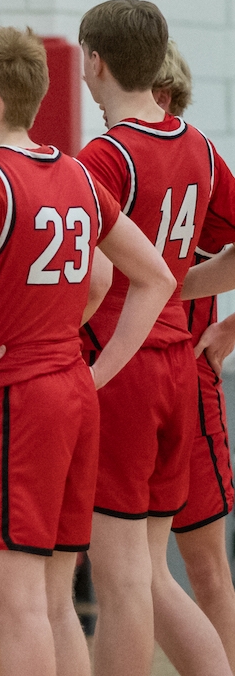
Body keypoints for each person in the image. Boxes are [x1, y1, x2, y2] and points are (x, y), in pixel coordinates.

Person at [0, 24, 175, 676]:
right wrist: (91, 365)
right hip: (72, 392)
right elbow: (137, 276)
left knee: (17, 610)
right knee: (54, 598)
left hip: (16, 396)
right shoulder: (72, 172)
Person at [76, 0, 234, 676]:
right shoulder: (196, 145)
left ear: (93, 61)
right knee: (148, 575)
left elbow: (89, 281)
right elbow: (160, 273)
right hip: (176, 366)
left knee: (120, 583)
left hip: (123, 364)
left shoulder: (103, 156)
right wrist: (178, 287)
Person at [152, 41, 235, 674]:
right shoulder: (114, 161)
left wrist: (230, 327)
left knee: (201, 564)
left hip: (185, 374)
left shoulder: (200, 159)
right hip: (125, 379)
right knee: (129, 567)